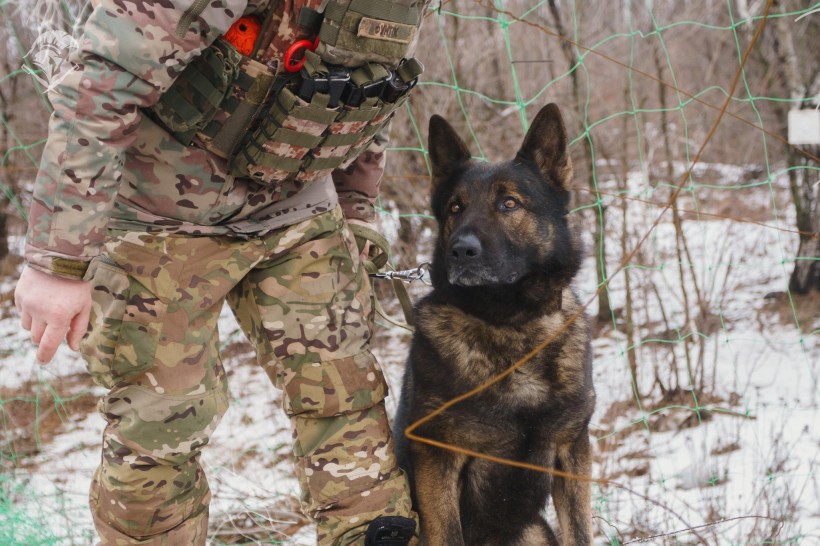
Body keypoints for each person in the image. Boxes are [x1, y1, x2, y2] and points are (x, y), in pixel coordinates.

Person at [13, 0, 427, 544]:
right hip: (159, 214)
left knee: (344, 397)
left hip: (298, 205)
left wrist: (355, 209)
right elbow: (107, 76)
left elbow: (370, 84)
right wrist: (59, 261)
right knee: (161, 425)